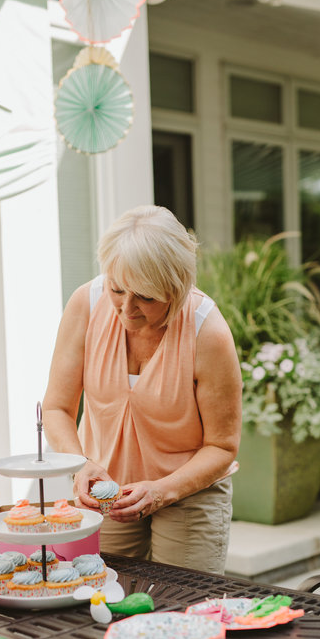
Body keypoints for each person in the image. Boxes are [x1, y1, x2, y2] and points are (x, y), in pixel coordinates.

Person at [42, 205, 242, 572]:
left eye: (146, 297)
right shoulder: (86, 305)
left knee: (181, 599)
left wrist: (163, 490)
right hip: (108, 489)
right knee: (104, 590)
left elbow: (222, 446)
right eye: (117, 289)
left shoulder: (207, 332)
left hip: (189, 493)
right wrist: (80, 465)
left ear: (176, 289)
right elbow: (56, 408)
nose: (127, 309)